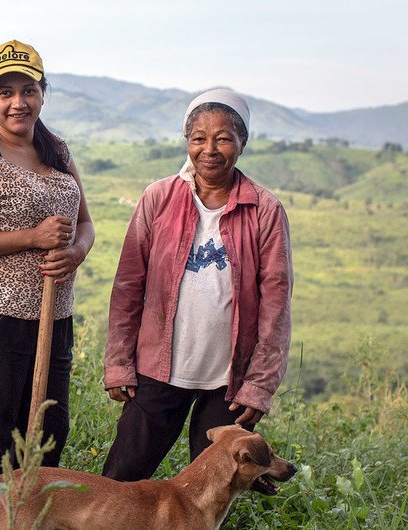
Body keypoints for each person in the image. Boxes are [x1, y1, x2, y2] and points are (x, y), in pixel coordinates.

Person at [101, 88, 293, 482]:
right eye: (199, 137)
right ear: (186, 141)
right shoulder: (159, 198)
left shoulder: (265, 210)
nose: (210, 149)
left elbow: (276, 305)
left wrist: (258, 386)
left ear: (242, 143)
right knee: (121, 480)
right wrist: (119, 362)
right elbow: (128, 285)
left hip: (229, 382)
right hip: (157, 369)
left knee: (212, 492)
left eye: (223, 137)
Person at [0, 40, 94, 508]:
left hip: (53, 318)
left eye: (28, 90)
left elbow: (85, 225)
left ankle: (33, 518)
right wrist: (31, 236)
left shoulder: (57, 149)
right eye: (4, 91)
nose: (17, 102)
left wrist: (75, 254)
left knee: (49, 433)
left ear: (43, 93)